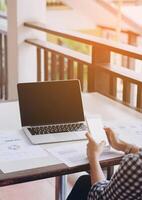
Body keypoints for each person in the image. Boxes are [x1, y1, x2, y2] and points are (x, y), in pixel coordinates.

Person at [66, 128, 142, 200]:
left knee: (84, 185)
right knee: (85, 181)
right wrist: (122, 145)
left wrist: (93, 156)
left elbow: (100, 197)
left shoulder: (136, 164)